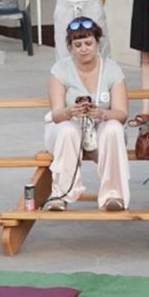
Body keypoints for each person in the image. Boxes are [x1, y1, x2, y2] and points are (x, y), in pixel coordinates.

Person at [44, 16, 130, 211]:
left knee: (114, 128)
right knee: (68, 130)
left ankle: (113, 195)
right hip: (67, 127)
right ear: (70, 47)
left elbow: (122, 113)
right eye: (78, 44)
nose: (84, 48)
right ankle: (61, 194)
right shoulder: (60, 69)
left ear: (97, 43)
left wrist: (101, 113)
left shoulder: (112, 69)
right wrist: (69, 111)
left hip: (100, 126)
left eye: (88, 43)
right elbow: (56, 115)